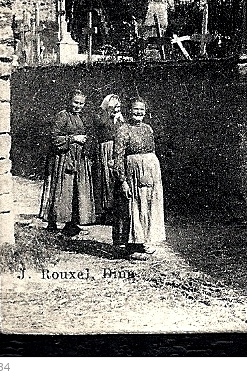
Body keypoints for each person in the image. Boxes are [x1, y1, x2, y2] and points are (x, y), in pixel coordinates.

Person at [39, 89, 98, 238]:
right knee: (61, 189)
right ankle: (53, 222)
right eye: (75, 102)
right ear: (69, 101)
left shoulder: (79, 117)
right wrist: (73, 139)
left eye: (81, 104)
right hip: (63, 159)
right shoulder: (62, 116)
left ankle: (70, 224)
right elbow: (54, 138)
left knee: (74, 190)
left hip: (77, 159)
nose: (78, 106)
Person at [114, 98, 165, 259]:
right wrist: (123, 181)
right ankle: (131, 247)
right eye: (135, 109)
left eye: (141, 109)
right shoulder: (123, 129)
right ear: (129, 110)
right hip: (133, 175)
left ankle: (142, 241)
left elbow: (152, 151)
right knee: (133, 206)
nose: (138, 112)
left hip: (150, 174)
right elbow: (118, 156)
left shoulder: (148, 129)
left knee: (147, 206)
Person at [94, 94, 130, 254]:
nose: (116, 109)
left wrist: (119, 119)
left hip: (115, 148)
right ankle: (104, 211)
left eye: (118, 107)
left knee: (114, 180)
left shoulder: (119, 118)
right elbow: (102, 127)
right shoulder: (101, 116)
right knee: (105, 179)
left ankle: (110, 211)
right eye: (113, 106)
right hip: (106, 148)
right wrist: (112, 118)